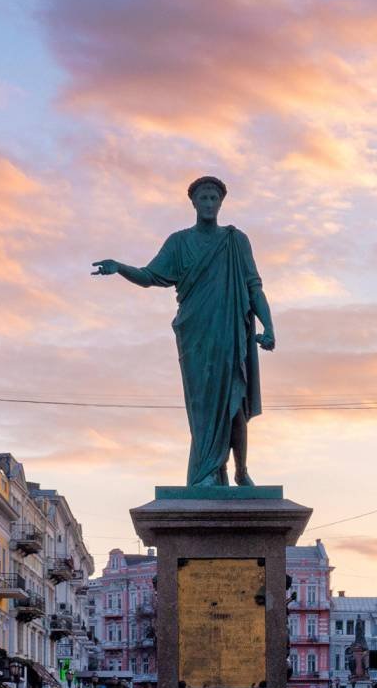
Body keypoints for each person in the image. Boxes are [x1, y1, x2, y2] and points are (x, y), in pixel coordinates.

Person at [91, 175, 277, 487]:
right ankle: (208, 472)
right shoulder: (179, 242)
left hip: (230, 333)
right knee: (203, 406)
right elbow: (151, 275)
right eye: (202, 197)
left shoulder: (236, 240)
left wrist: (269, 326)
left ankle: (240, 471)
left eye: (213, 198)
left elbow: (254, 287)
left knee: (234, 404)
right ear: (193, 202)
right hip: (196, 334)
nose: (208, 203)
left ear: (221, 203)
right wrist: (120, 267)